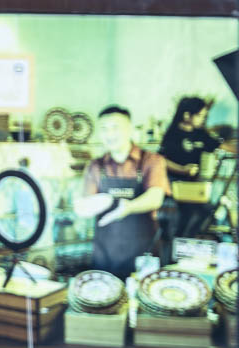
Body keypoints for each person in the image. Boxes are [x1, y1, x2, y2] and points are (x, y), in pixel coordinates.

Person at [77, 105, 168, 279]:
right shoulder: (96, 166)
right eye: (104, 129)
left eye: (115, 128)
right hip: (106, 253)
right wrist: (83, 208)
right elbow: (86, 203)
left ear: (130, 130)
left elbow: (155, 197)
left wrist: (128, 207)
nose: (109, 134)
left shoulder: (152, 160)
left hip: (144, 252)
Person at [158, 95, 223, 239]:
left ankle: (186, 241)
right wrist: (182, 169)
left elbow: (220, 145)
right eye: (200, 115)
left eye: (204, 116)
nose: (203, 119)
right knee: (188, 214)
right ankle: (179, 243)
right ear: (187, 115)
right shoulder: (172, 135)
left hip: (192, 185)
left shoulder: (200, 134)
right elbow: (162, 161)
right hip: (173, 185)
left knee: (207, 210)